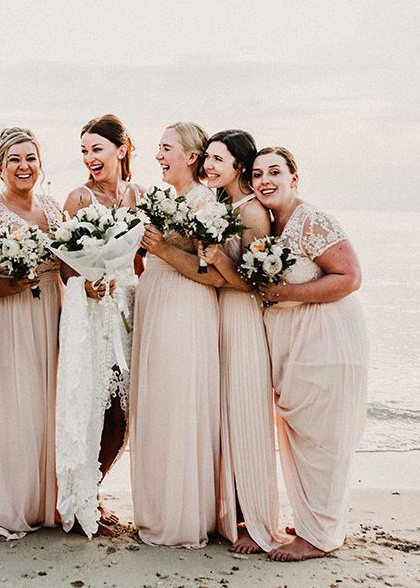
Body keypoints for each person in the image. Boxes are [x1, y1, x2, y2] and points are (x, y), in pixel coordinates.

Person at [251, 147, 369, 561]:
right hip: (291, 343)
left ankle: (318, 538)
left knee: (323, 436)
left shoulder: (310, 220)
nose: (265, 179)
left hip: (326, 339)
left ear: (293, 177)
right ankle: (310, 518)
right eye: (258, 173)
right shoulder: (268, 224)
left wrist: (286, 293)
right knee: (299, 434)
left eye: (274, 172)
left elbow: (350, 276)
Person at [130, 122, 221, 548]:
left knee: (179, 399)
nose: (158, 156)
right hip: (155, 296)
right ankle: (158, 507)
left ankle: (182, 515)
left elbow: (211, 274)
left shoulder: (206, 202)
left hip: (185, 304)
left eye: (165, 148)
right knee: (157, 400)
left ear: (191, 156)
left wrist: (162, 248)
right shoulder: (167, 198)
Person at [200, 130, 289, 553]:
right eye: (207, 159)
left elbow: (255, 284)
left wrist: (217, 259)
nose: (209, 167)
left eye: (218, 160)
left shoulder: (253, 213)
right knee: (225, 416)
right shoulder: (219, 205)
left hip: (243, 320)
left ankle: (258, 521)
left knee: (248, 415)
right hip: (217, 318)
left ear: (238, 165)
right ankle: (230, 512)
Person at [0, 127, 62, 540]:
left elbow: (69, 264)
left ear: (41, 164)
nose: (24, 167)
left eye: (30, 159)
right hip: (7, 320)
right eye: (14, 160)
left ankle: (47, 505)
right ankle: (5, 507)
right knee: (11, 411)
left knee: (48, 409)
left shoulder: (54, 209)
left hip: (52, 314)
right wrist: (10, 285)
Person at [57, 114, 145, 537]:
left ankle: (94, 487)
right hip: (94, 313)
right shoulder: (78, 199)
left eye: (98, 149)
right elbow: (64, 266)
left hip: (130, 306)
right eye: (85, 151)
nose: (90, 158)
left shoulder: (139, 196)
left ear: (121, 148)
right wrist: (86, 287)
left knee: (126, 412)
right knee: (96, 406)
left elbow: (143, 261)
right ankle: (82, 499)